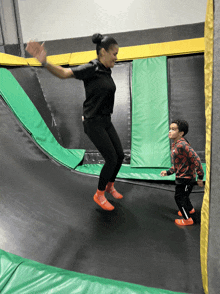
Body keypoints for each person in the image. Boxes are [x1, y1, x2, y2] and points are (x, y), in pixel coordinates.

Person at [26, 33, 124, 211]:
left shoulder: (106, 69)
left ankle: (110, 186)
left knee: (120, 156)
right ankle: (99, 194)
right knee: (111, 158)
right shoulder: (91, 68)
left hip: (106, 120)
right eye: (114, 54)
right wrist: (45, 62)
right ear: (103, 52)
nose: (116, 57)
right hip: (93, 123)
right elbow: (64, 73)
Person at [160, 119, 204, 226]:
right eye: (170, 129)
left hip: (186, 178)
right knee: (184, 196)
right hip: (181, 177)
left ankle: (187, 219)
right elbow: (178, 164)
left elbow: (196, 159)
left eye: (173, 129)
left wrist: (200, 177)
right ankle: (190, 210)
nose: (170, 131)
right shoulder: (175, 145)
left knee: (179, 198)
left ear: (181, 133)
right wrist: (168, 172)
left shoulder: (182, 145)